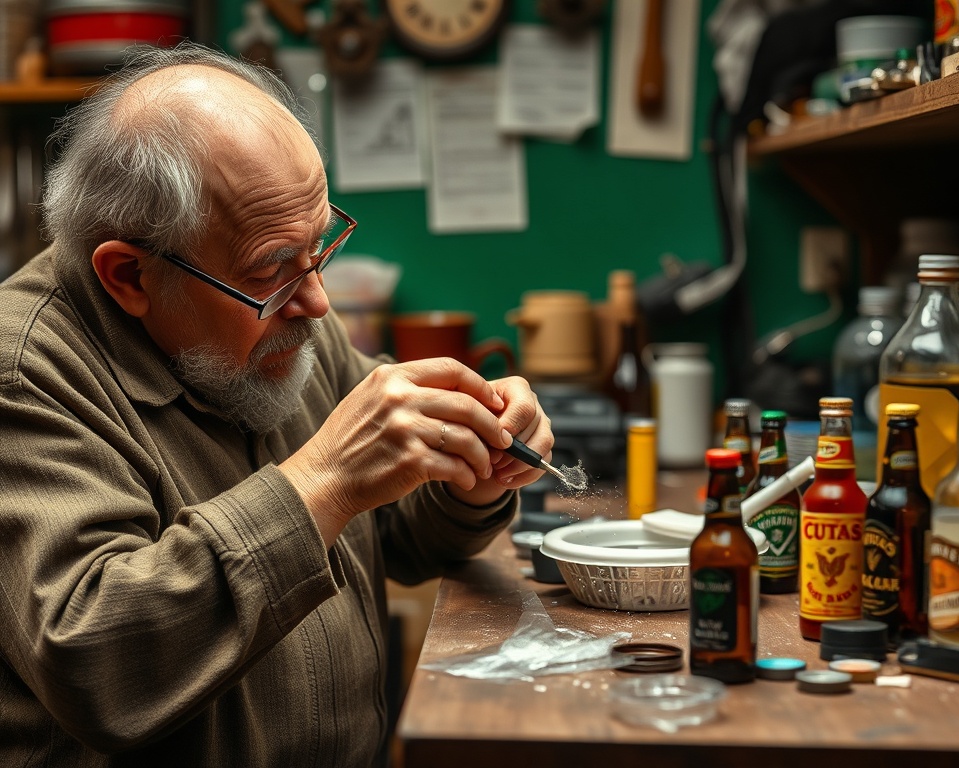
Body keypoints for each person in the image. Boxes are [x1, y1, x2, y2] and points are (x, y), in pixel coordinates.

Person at [0, 42, 553, 767]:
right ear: (130, 275)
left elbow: (403, 540)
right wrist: (323, 481)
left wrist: (468, 481)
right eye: (270, 267)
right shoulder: (26, 377)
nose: (318, 303)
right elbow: (99, 662)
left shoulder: (283, 330)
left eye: (319, 246)